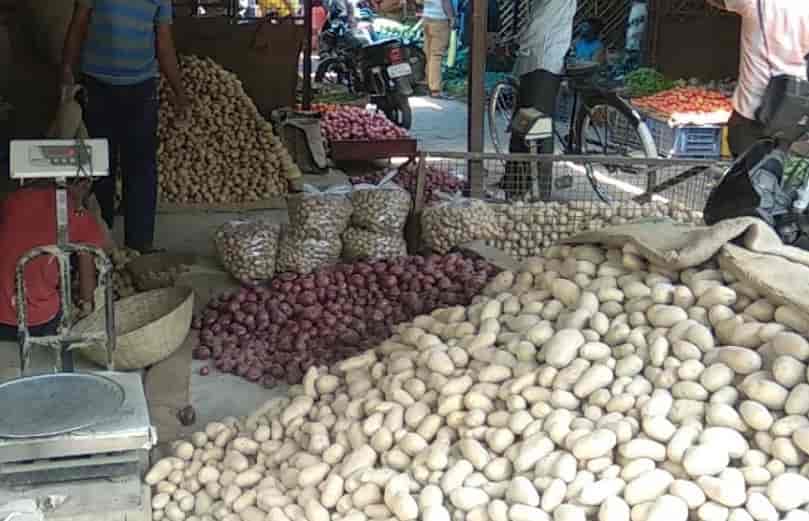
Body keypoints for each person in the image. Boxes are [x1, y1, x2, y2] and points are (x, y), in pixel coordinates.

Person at [60, 0, 190, 254]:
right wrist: (66, 70)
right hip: (97, 87)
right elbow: (78, 25)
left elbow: (164, 43)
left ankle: (139, 246)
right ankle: (99, 243)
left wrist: (179, 93)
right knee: (98, 169)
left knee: (140, 169)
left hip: (141, 90)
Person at [0, 180, 109, 341]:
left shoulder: (12, 200)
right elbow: (88, 291)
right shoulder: (79, 215)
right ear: (84, 185)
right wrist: (87, 310)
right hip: (34, 323)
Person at [706, 0, 809, 157]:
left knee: (746, 174)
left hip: (750, 114)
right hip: (791, 111)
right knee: (774, 169)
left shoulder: (755, 2)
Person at [504, 0, 576, 198]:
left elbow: (538, 25)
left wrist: (519, 41)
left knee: (537, 127)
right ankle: (516, 185)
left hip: (543, 61)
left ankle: (536, 192)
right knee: (523, 123)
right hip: (534, 60)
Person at [422, 0, 457, 97]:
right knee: (436, 55)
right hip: (440, 19)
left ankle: (427, 83)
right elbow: (445, 1)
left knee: (428, 54)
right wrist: (452, 18)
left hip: (426, 17)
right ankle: (435, 89)